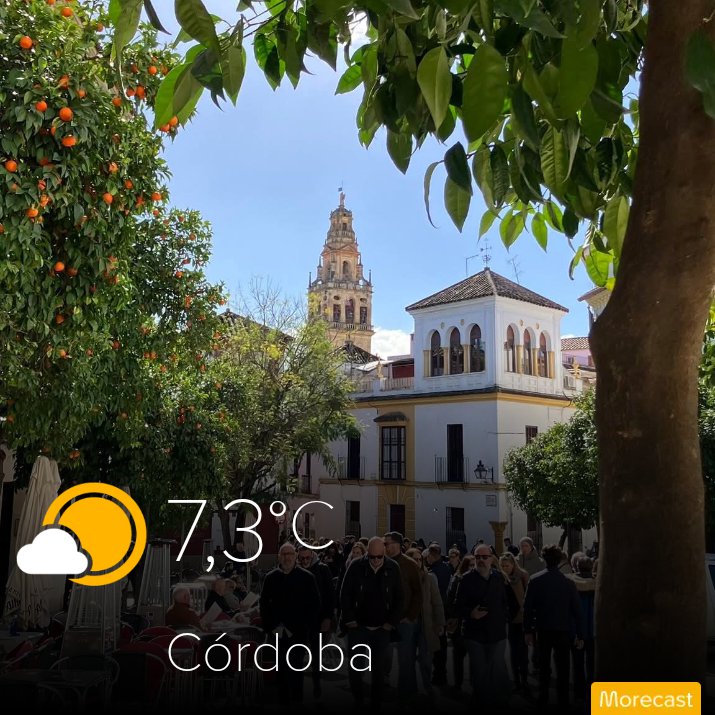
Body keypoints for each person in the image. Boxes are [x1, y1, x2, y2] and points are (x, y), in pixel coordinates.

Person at [340, 536, 404, 710]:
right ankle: (358, 699)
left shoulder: (393, 567)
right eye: (372, 557)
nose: (375, 561)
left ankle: (375, 703)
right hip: (358, 626)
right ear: (367, 553)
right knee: (355, 667)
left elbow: (399, 598)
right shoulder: (356, 566)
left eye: (379, 557)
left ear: (384, 553)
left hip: (382, 628)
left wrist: (391, 623)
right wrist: (350, 620)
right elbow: (345, 594)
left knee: (378, 669)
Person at [523, 544, 584, 712]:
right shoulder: (568, 582)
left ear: (544, 559)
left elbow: (527, 608)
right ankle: (563, 700)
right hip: (563, 629)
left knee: (543, 666)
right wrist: (580, 634)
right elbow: (577, 610)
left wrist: (528, 630)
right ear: (559, 560)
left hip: (543, 629)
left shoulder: (535, 580)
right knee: (563, 667)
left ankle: (543, 698)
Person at [260, 542, 321, 705]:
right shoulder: (270, 578)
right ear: (279, 557)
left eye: (290, 554)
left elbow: (314, 605)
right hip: (276, 633)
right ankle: (283, 703)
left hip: (298, 633)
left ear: (295, 557)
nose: (287, 557)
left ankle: (297, 702)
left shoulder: (307, 577)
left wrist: (305, 626)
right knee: (280, 671)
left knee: (296, 670)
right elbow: (264, 604)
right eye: (284, 554)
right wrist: (270, 627)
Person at [456, 544, 514, 709]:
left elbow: (508, 602)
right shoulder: (466, 579)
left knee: (497, 670)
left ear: (491, 559)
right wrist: (471, 613)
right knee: (480, 672)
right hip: (475, 635)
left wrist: (504, 617)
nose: (481, 560)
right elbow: (457, 607)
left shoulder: (499, 577)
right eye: (477, 557)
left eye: (484, 557)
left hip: (497, 633)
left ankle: (500, 701)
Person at [383, 531, 422, 701]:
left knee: (405, 659)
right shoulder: (382, 562)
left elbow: (418, 592)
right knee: (383, 656)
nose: (385, 547)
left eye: (387, 543)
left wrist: (411, 615)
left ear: (397, 545)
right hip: (386, 619)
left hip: (404, 619)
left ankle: (406, 694)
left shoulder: (409, 565)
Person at [406, 548, 445, 700]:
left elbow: (437, 602)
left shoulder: (429, 578)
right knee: (408, 659)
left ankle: (427, 686)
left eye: (419, 559)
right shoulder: (402, 577)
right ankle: (412, 689)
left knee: (426, 659)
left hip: (426, 624)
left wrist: (440, 622)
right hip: (409, 623)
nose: (417, 562)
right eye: (413, 559)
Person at [297, 544, 335, 698]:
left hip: (318, 619)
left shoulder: (322, 569)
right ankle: (298, 689)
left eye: (307, 558)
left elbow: (330, 595)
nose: (305, 561)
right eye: (302, 558)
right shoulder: (295, 570)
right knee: (297, 655)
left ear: (312, 556)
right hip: (300, 620)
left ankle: (317, 685)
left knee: (316, 655)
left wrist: (327, 617)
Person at [499, 552, 530, 695]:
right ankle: (516, 680)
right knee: (513, 651)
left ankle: (524, 679)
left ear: (513, 564)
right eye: (502, 566)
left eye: (507, 565)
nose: (505, 568)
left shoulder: (522, 575)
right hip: (509, 619)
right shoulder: (500, 578)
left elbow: (528, 595)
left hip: (522, 618)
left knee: (523, 651)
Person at [569, 556, 596, 704]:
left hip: (577, 630)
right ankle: (592, 691)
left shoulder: (571, 584)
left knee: (578, 664)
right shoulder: (597, 584)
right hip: (593, 631)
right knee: (592, 664)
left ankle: (579, 694)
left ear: (576, 567)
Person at [445, 554, 475, 691]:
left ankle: (474, 683)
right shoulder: (457, 579)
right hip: (459, 623)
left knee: (474, 655)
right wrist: (455, 615)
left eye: (475, 565)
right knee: (458, 655)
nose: (473, 567)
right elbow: (450, 601)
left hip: (474, 623)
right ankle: (458, 683)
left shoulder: (479, 579)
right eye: (471, 565)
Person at [424, 544, 450, 687]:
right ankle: (442, 673)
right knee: (442, 642)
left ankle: (438, 674)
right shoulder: (446, 567)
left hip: (436, 608)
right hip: (444, 606)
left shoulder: (433, 572)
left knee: (437, 644)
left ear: (431, 556)